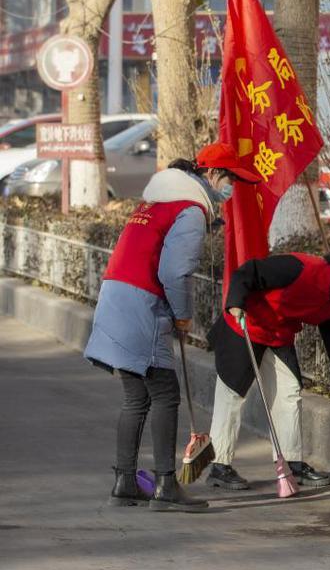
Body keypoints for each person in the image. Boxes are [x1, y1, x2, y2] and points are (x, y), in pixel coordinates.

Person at [85, 143, 252, 511]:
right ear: (211, 175)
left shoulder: (156, 200)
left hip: (116, 296)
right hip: (141, 302)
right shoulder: (190, 210)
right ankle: (166, 486)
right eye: (231, 179)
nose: (231, 189)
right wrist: (182, 315)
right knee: (165, 393)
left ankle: (125, 482)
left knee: (137, 397)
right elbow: (174, 272)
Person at [204, 250, 330, 490]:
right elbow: (249, 271)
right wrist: (235, 304)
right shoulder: (299, 268)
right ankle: (219, 465)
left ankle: (291, 463)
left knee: (289, 393)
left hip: (279, 334)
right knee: (231, 395)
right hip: (245, 325)